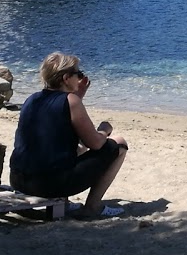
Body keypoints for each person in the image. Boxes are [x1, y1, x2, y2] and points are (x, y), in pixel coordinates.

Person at [10, 52, 128, 218]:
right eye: (78, 74)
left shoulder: (32, 99)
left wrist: (78, 95)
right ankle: (92, 207)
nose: (80, 78)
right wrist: (104, 130)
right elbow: (94, 144)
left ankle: (64, 203)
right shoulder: (71, 101)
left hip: (19, 180)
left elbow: (59, 127)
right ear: (66, 78)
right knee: (120, 143)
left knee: (74, 148)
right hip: (49, 185)